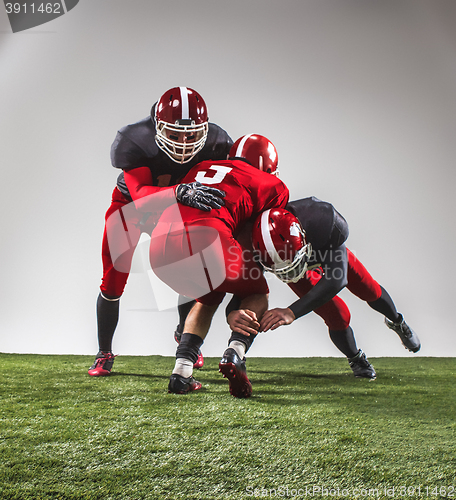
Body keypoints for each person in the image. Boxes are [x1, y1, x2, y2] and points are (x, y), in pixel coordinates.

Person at [88, 87, 233, 377]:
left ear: (204, 131)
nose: (183, 142)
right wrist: (180, 190)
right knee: (113, 280)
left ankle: (184, 333)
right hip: (130, 208)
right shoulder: (135, 139)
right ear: (156, 128)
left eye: (191, 136)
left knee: (187, 269)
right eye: (175, 135)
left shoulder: (218, 143)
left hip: (174, 208)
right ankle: (104, 352)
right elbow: (140, 194)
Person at [148, 134, 289, 395]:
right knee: (258, 292)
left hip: (159, 248)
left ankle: (182, 371)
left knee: (209, 293)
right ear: (269, 166)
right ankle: (235, 352)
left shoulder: (200, 167)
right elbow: (258, 234)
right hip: (210, 242)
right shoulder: (273, 184)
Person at [226, 200, 420, 386]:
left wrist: (291, 312)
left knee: (369, 289)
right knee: (337, 315)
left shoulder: (322, 221)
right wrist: (231, 314)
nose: (288, 274)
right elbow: (246, 290)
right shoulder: (248, 246)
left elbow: (337, 279)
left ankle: (397, 321)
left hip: (324, 252)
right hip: (297, 260)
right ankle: (356, 358)